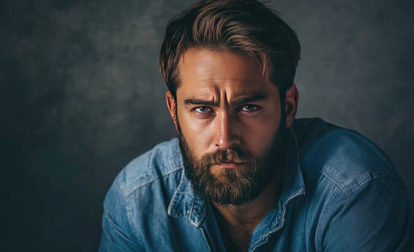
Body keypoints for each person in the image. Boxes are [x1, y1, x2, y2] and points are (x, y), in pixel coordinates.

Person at [99, 0, 413, 251]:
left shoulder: (354, 190)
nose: (225, 138)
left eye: (248, 107)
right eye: (202, 109)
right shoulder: (136, 200)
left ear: (288, 107)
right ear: (174, 110)